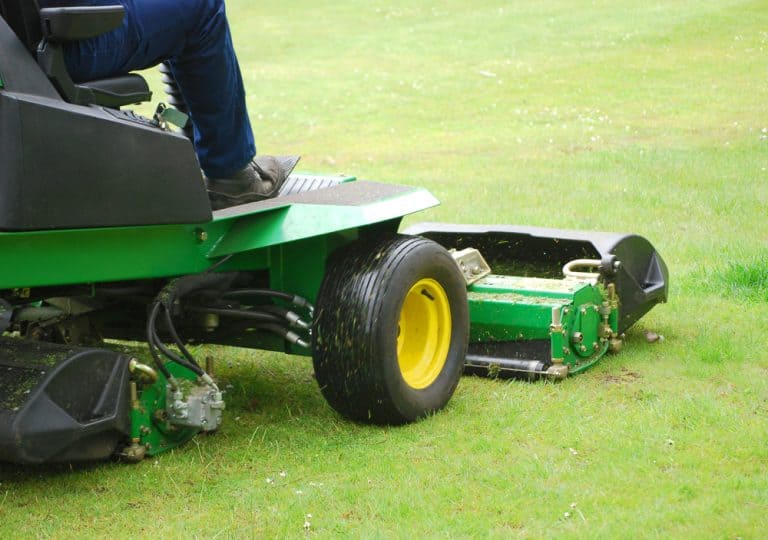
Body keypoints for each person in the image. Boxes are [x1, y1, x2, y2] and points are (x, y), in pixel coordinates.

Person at [39, 0, 298, 209]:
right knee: (203, 8)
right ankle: (232, 177)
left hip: (41, 31)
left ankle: (202, 153)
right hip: (67, 35)